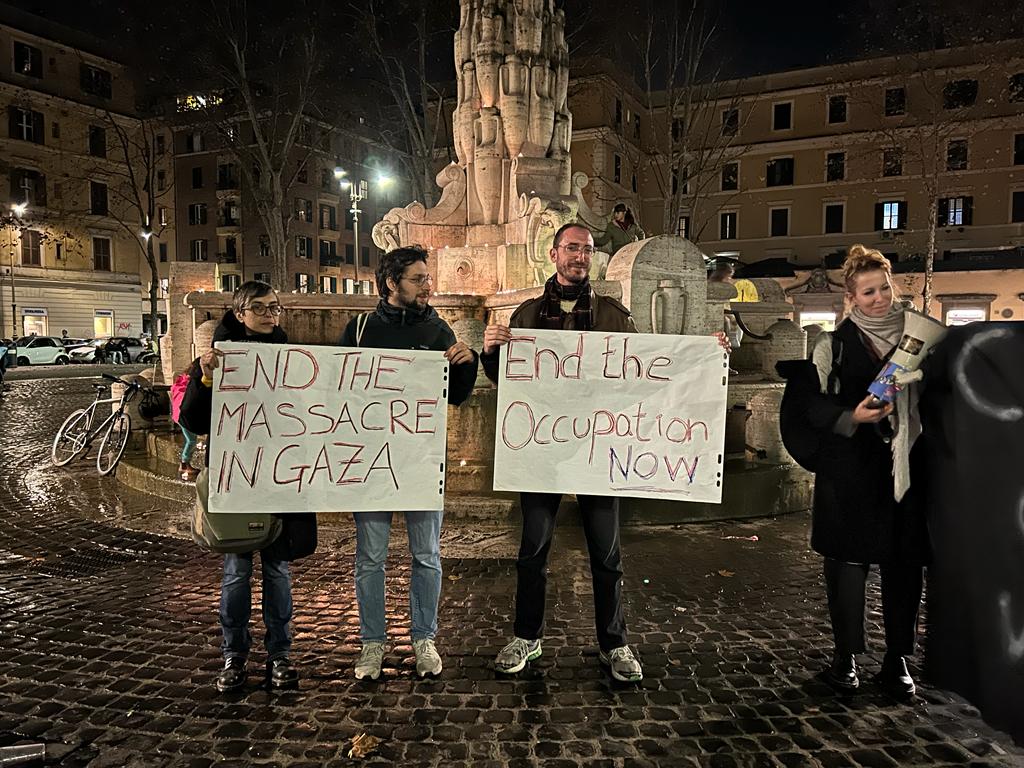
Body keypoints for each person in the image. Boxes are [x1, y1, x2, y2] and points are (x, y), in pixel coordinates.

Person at [481, 222, 645, 683]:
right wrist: (491, 353)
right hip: (541, 448)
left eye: (587, 250)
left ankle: (614, 643)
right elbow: (506, 382)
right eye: (572, 248)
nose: (579, 256)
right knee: (533, 550)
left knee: (607, 554)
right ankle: (527, 636)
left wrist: (708, 354)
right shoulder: (527, 315)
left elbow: (647, 373)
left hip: (598, 448)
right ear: (553, 254)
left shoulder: (614, 314)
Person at [338, 246, 479, 681]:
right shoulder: (360, 329)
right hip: (372, 463)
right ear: (391, 283)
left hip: (419, 461)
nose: (427, 286)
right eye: (418, 279)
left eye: (427, 278)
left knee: (427, 555)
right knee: (370, 559)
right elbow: (338, 390)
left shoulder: (438, 330)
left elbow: (454, 396)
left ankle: (424, 638)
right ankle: (372, 644)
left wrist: (466, 365)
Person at [796, 244, 928, 699]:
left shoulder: (920, 340)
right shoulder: (831, 344)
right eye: (868, 292)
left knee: (903, 564)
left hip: (903, 470)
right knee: (847, 565)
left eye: (885, 288)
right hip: (849, 470)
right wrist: (850, 416)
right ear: (851, 298)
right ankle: (845, 658)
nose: (880, 298)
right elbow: (810, 406)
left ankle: (898, 661)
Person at [178, 280, 318, 693]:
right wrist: (205, 379)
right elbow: (193, 421)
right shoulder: (217, 359)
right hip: (236, 475)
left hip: (279, 479)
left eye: (275, 307)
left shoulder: (292, 356)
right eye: (260, 308)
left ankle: (280, 655)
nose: (270, 314)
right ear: (239, 313)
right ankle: (234, 655)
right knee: (237, 572)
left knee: (277, 572)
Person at [169, 364, 200, 481]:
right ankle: (184, 464)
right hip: (184, 417)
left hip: (180, 417)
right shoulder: (187, 387)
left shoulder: (180, 383)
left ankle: (185, 463)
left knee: (190, 440)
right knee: (191, 440)